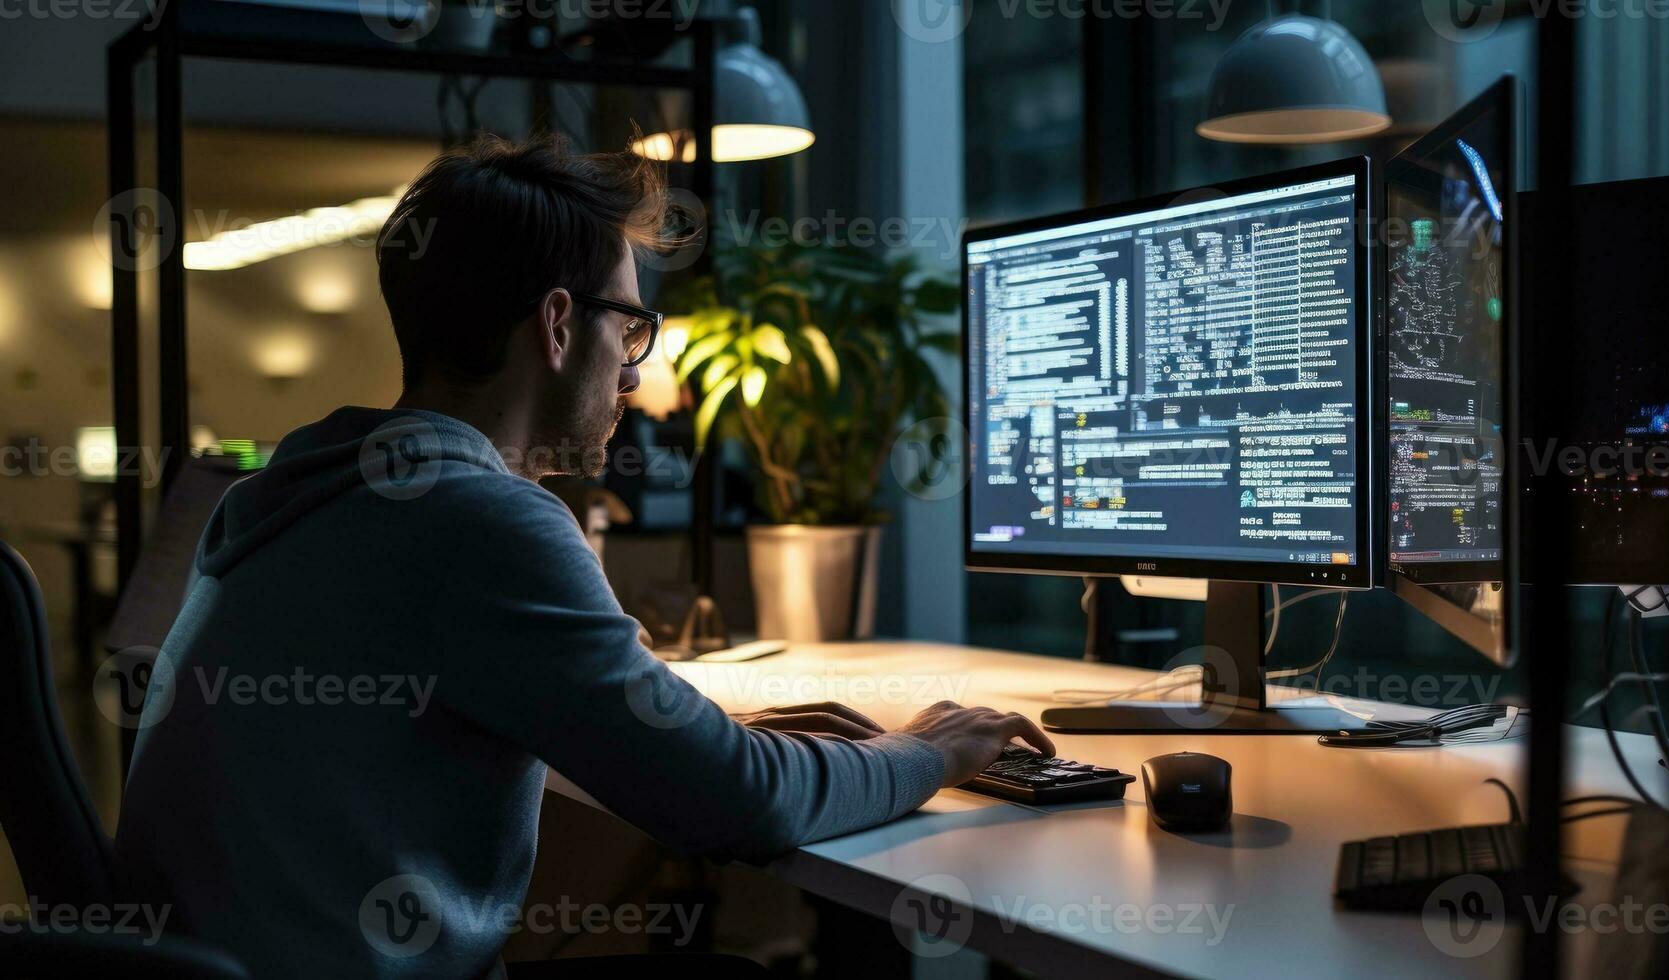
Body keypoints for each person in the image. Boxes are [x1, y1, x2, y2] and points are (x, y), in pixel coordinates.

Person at [116, 134, 1053, 979]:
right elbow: (736, 806)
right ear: (560, 326)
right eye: (630, 326)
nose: (637, 369)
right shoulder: (478, 517)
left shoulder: (297, 494)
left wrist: (708, 730)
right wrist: (924, 752)